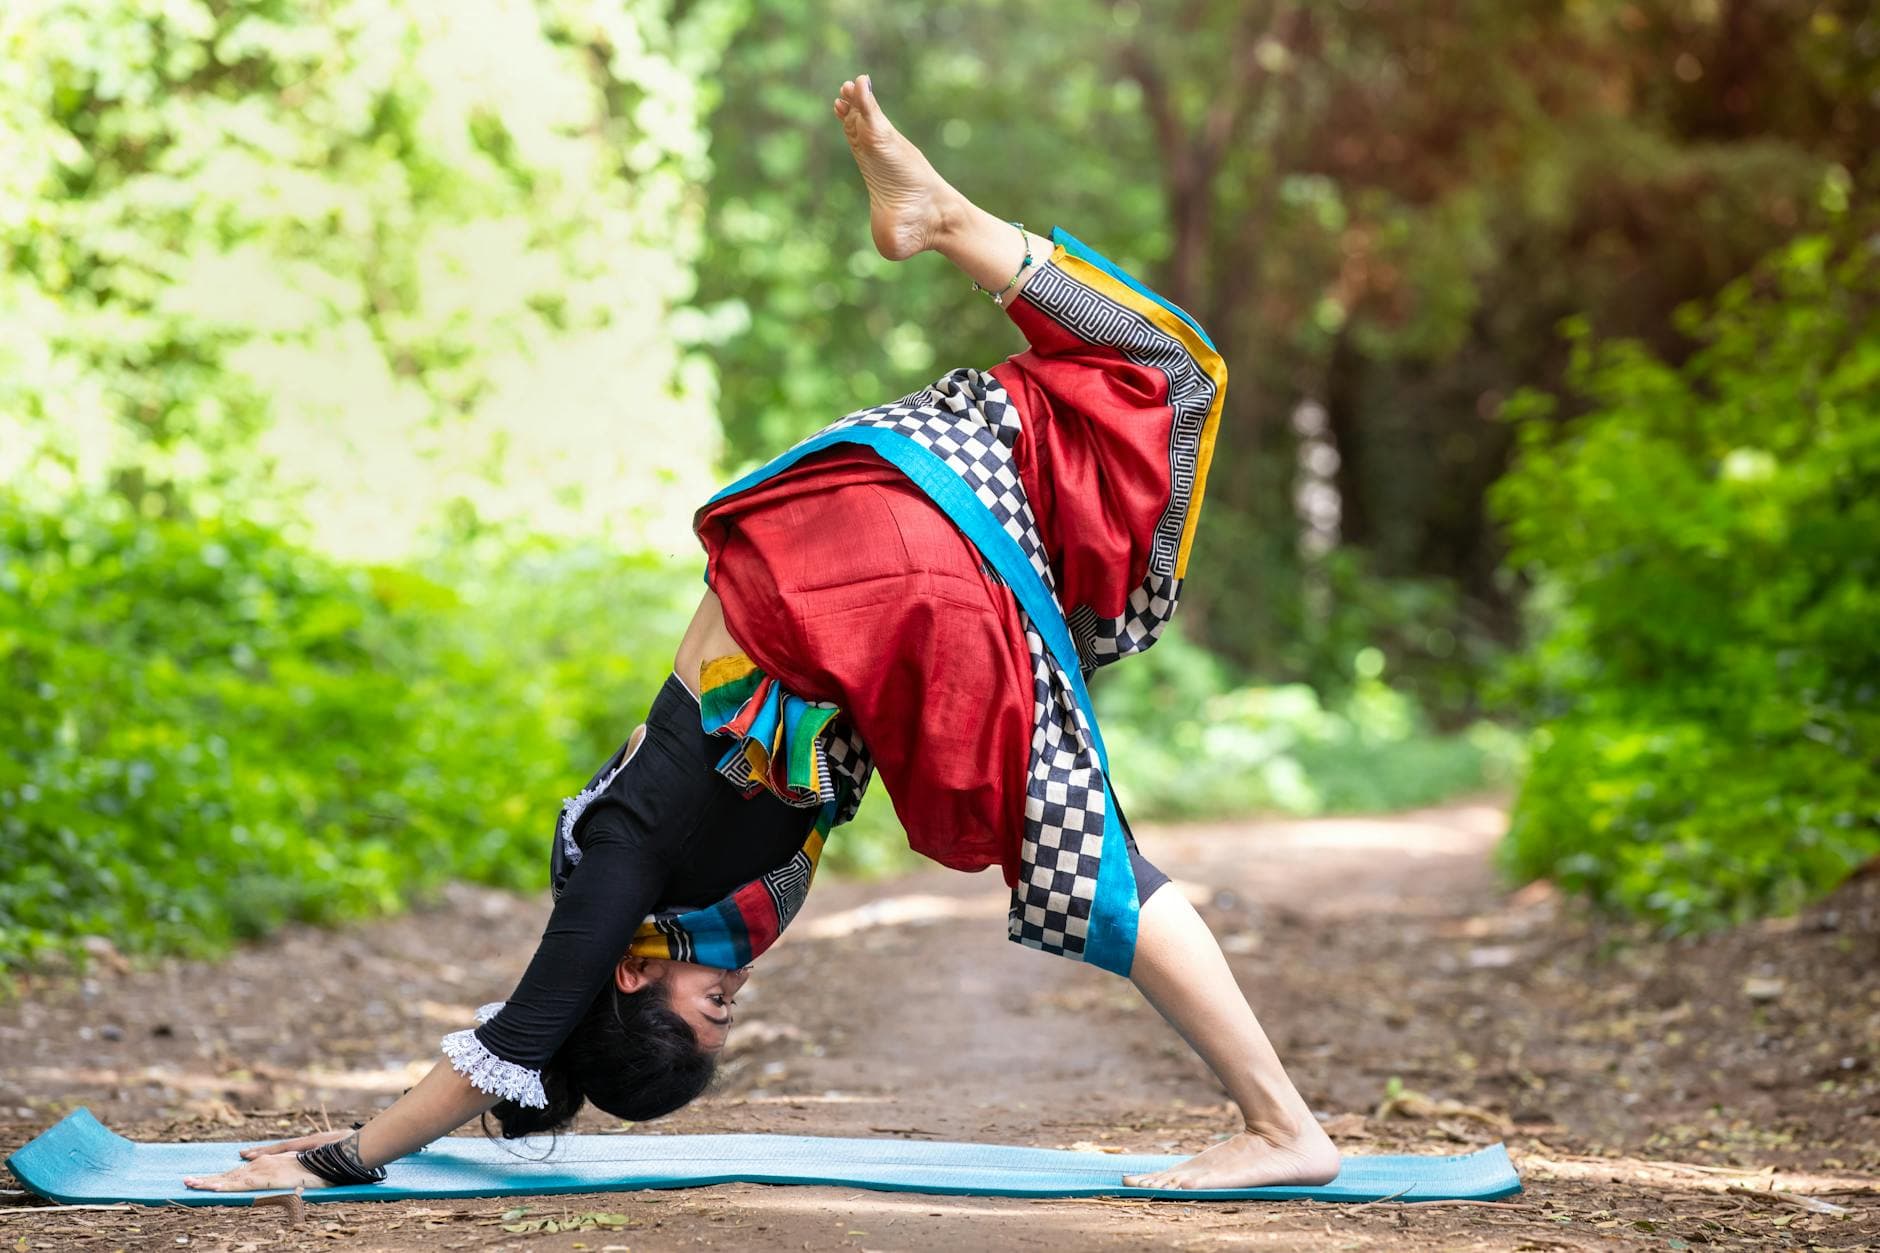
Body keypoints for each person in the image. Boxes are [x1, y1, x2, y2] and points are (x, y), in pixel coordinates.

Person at [182, 74, 1340, 1195]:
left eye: (704, 1011)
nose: (729, 999)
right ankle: (947, 221)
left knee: (1088, 870)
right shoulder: (681, 885)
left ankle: (1282, 1124)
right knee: (1158, 381)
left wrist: (341, 1154)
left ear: (626, 973)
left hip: (873, 585)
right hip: (892, 486)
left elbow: (516, 1039)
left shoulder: (620, 877)